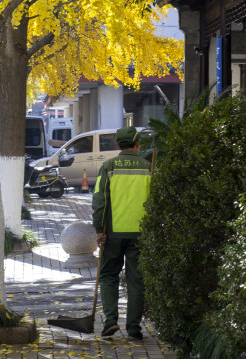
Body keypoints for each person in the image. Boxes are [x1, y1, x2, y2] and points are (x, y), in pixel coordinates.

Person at [92, 125, 151, 340]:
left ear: (117, 145)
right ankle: (134, 329)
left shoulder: (108, 167)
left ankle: (110, 322)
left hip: (113, 233)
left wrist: (99, 229)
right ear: (138, 143)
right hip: (141, 234)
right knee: (137, 279)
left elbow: (100, 200)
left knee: (108, 275)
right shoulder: (148, 167)